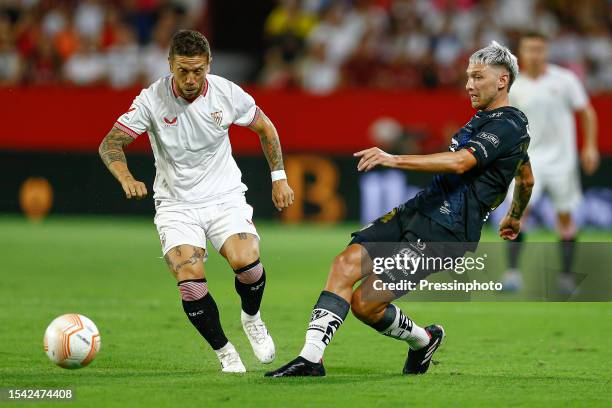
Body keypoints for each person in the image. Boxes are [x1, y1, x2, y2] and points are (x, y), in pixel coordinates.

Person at [265, 41, 533, 377]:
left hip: (447, 232)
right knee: (344, 263)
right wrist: (514, 215)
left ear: (502, 80)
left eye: (477, 77)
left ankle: (423, 341)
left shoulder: (509, 124)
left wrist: (394, 159)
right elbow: (526, 178)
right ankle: (310, 358)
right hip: (419, 209)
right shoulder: (489, 122)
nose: (468, 85)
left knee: (366, 303)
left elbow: (464, 161)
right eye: (467, 77)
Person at [98, 30, 294, 373]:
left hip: (224, 196)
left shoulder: (227, 93)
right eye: (183, 71)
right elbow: (110, 144)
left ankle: (252, 318)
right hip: (176, 204)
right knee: (189, 281)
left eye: (198, 71)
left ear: (209, 65)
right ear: (170, 64)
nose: (190, 79)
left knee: (247, 265)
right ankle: (225, 352)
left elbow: (267, 128)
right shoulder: (151, 99)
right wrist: (126, 178)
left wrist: (279, 178)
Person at [501, 32, 599, 294]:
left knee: (565, 216)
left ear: (546, 51)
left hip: (562, 163)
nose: (535, 54)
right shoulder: (512, 83)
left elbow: (587, 112)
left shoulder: (564, 80)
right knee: (518, 213)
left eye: (539, 49)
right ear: (521, 52)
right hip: (527, 161)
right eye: (529, 49)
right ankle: (512, 273)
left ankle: (566, 277)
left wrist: (589, 146)